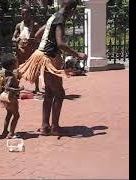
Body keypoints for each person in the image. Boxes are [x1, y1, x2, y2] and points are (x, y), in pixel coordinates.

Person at [18, 0, 87, 136]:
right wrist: (77, 54)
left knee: (49, 92)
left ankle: (45, 126)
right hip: (49, 58)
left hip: (46, 56)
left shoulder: (53, 16)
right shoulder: (60, 19)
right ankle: (54, 127)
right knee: (60, 93)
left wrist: (45, 46)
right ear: (72, 10)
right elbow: (61, 43)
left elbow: (38, 34)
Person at [12, 5, 41, 94]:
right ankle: (16, 86)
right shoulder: (19, 25)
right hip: (21, 50)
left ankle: (37, 88)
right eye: (23, 14)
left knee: (35, 68)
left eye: (26, 14)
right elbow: (13, 38)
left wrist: (34, 40)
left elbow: (40, 37)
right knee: (19, 69)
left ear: (30, 14)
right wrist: (17, 39)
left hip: (32, 50)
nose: (25, 16)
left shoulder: (35, 25)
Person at [0, 54, 24, 139]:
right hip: (10, 97)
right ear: (12, 65)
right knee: (16, 116)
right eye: (16, 62)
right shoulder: (10, 76)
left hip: (4, 96)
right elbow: (7, 87)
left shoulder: (5, 73)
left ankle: (5, 131)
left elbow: (3, 85)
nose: (17, 63)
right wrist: (19, 89)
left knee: (9, 114)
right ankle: (11, 133)